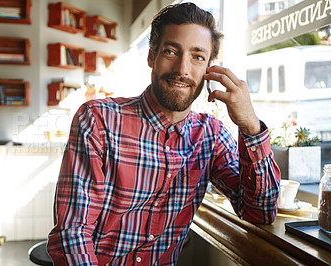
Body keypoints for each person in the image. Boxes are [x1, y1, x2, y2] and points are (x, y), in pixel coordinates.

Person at [47, 3, 281, 265]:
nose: (183, 69)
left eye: (197, 57)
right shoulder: (98, 119)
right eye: (171, 51)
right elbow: (72, 233)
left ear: (209, 69)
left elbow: (259, 211)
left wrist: (250, 126)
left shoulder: (211, 135)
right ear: (151, 57)